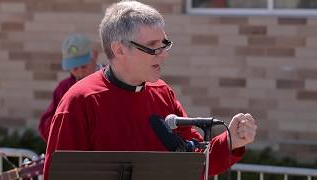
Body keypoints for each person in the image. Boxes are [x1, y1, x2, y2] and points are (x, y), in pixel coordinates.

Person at [43, 1, 257, 179]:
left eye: (164, 44)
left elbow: (194, 161)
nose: (163, 54)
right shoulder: (80, 101)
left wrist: (232, 142)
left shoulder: (162, 92)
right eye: (153, 46)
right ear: (119, 49)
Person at [38, 34, 101, 142]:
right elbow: (46, 126)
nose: (80, 71)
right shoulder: (64, 88)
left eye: (84, 66)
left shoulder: (111, 80)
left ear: (94, 55)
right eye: (75, 68)